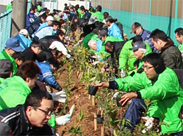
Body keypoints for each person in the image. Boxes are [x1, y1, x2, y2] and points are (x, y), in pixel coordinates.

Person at [94, 53, 183, 135]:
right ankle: (125, 131)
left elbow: (158, 91)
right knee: (136, 103)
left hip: (176, 124)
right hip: (162, 119)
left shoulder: (168, 76)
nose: (145, 70)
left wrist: (136, 94)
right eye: (144, 67)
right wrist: (109, 84)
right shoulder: (148, 76)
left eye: (148, 67)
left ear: (157, 67)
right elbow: (130, 81)